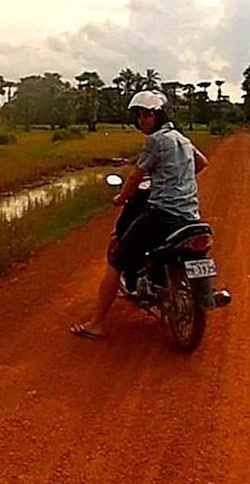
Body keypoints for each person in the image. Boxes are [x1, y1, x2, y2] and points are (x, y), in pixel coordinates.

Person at [70, 90, 208, 340]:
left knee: (117, 256)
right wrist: (175, 180)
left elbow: (136, 175)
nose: (142, 120)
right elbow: (202, 164)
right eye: (139, 115)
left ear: (159, 115)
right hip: (190, 215)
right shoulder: (181, 139)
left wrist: (121, 198)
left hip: (162, 213)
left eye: (147, 115)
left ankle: (97, 323)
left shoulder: (156, 141)